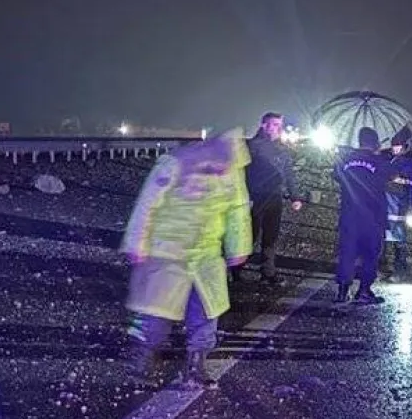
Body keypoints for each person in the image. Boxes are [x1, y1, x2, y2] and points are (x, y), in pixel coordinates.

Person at [122, 129, 253, 386]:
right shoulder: (175, 163)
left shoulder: (233, 173)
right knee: (155, 311)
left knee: (206, 312)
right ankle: (142, 361)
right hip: (167, 250)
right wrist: (137, 242)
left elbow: (237, 210)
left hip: (206, 254)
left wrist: (239, 247)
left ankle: (197, 365)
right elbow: (148, 203)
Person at [244, 111, 302, 284]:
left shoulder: (282, 148)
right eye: (274, 124)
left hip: (275, 197)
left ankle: (268, 273)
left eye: (279, 125)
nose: (277, 128)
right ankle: (234, 269)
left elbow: (289, 174)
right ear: (264, 125)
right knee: (249, 236)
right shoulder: (252, 146)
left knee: (271, 236)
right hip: (255, 197)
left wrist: (295, 197)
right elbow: (243, 172)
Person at [333, 126, 388, 304]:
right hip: (372, 215)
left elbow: (336, 175)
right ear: (375, 142)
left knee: (347, 252)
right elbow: (386, 179)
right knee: (370, 254)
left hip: (349, 213)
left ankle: (342, 290)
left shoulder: (346, 159)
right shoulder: (379, 161)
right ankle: (364, 290)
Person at [382, 126, 412, 278]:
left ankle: (399, 270)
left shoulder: (411, 164)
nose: (395, 149)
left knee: (399, 240)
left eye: (398, 146)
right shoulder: (388, 159)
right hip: (387, 207)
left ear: (405, 146)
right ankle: (384, 268)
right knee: (383, 239)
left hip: (400, 207)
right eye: (394, 146)